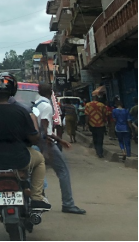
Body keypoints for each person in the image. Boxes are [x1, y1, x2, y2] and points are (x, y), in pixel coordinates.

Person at [0, 75, 49, 213]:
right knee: (40, 161)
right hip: (20, 159)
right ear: (11, 93)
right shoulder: (22, 111)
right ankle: (37, 198)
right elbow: (33, 138)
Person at [34, 84, 85, 214]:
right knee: (63, 171)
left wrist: (59, 140)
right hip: (47, 142)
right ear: (51, 92)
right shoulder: (46, 106)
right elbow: (45, 127)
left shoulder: (36, 104)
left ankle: (39, 200)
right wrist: (54, 142)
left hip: (39, 141)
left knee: (37, 171)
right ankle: (68, 203)